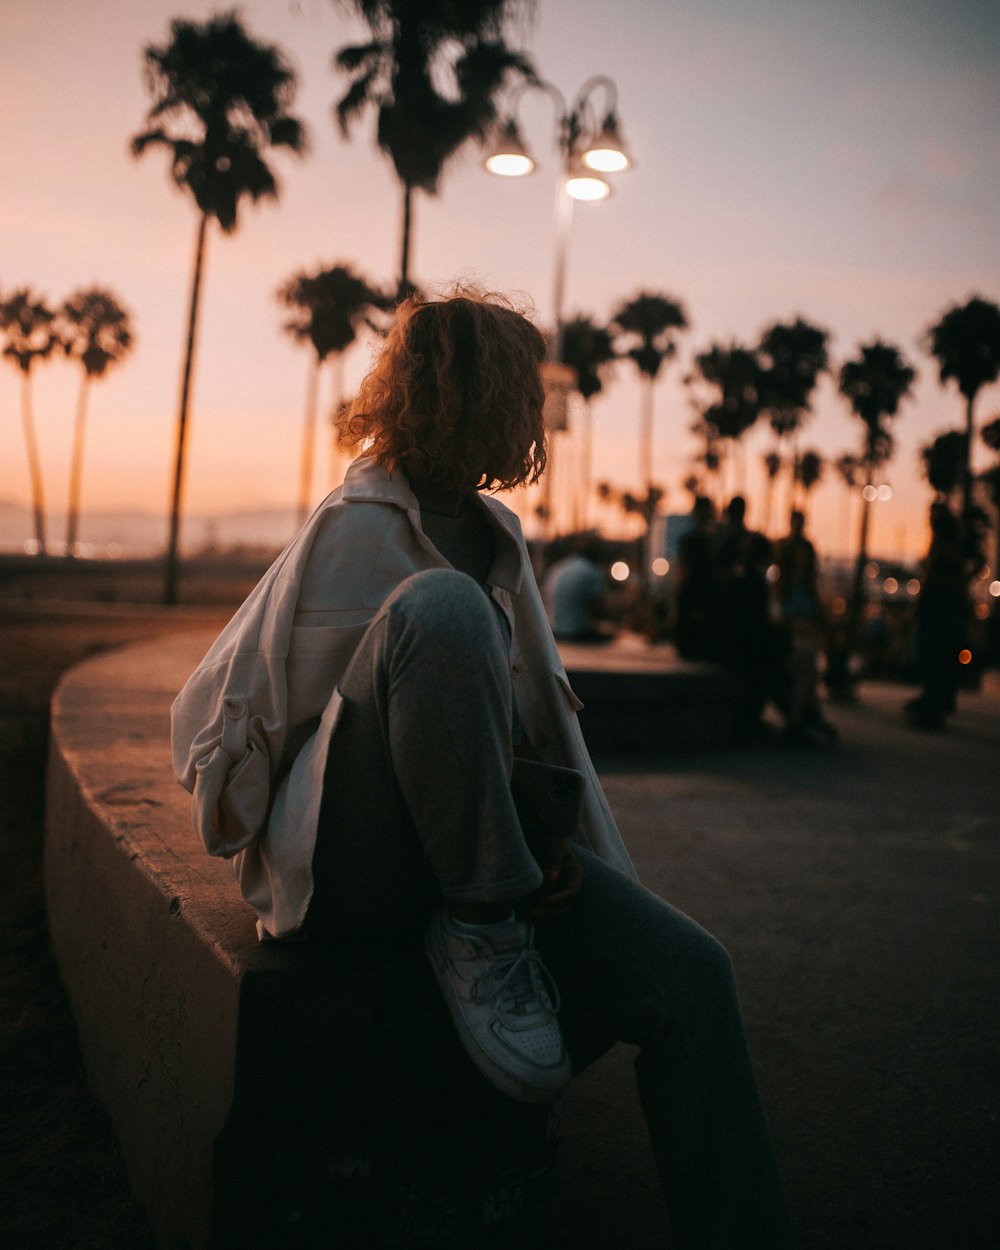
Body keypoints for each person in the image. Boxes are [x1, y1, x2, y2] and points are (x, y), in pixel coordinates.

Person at [171, 290, 791, 1247]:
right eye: (502, 389)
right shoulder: (350, 528)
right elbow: (210, 720)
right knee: (443, 609)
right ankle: (483, 922)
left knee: (691, 975)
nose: (514, 412)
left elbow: (531, 728)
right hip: (358, 866)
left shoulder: (503, 539)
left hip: (491, 851)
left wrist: (555, 840)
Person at [772, 511, 837, 746]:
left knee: (807, 670)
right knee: (804, 669)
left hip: (799, 613)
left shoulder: (794, 551)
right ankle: (798, 718)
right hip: (798, 615)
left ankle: (800, 717)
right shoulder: (793, 551)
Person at [905, 502, 969, 730]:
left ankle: (930, 707)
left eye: (931, 516)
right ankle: (937, 703)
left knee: (930, 655)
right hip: (949, 607)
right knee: (942, 657)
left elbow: (931, 578)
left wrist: (919, 607)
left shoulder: (940, 545)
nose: (928, 520)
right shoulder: (956, 545)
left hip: (936, 606)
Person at [541, 535, 613, 643]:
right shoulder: (592, 570)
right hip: (578, 632)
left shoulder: (558, 567)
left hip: (553, 630)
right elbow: (598, 606)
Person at [673, 494, 718, 662]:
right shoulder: (709, 539)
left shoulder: (693, 539)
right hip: (700, 590)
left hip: (697, 590)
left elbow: (682, 567)